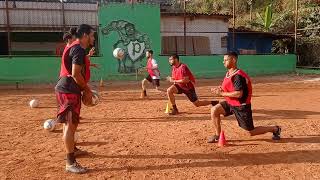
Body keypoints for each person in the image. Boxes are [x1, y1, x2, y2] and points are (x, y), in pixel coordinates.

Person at [208, 52, 281, 143]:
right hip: (231, 103)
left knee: (251, 132)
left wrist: (221, 94)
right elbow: (229, 87)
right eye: (223, 60)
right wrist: (220, 89)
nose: (223, 62)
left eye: (226, 60)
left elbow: (239, 94)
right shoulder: (229, 73)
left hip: (241, 106)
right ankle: (218, 135)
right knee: (214, 110)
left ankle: (274, 129)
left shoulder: (238, 76)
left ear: (234, 60)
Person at [55, 24, 95, 173]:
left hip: (68, 88)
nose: (93, 38)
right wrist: (87, 89)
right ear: (84, 35)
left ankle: (73, 149)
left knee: (71, 124)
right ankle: (70, 163)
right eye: (92, 35)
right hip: (68, 90)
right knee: (69, 126)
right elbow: (76, 73)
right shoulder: (78, 48)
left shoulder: (76, 47)